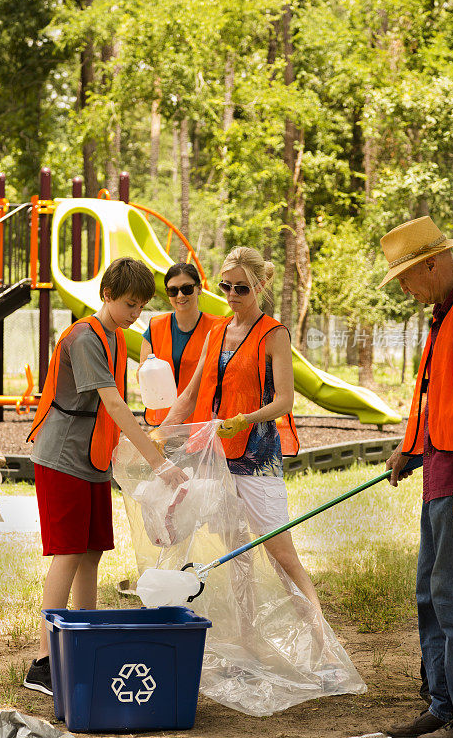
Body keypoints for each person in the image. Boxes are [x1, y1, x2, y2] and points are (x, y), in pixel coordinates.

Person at [23, 257, 187, 696]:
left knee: (93, 550)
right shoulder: (85, 337)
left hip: (93, 460)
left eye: (141, 307)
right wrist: (158, 462)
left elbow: (118, 412)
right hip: (62, 458)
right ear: (107, 296)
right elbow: (115, 406)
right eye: (129, 304)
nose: (136, 314)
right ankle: (43, 662)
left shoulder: (116, 338)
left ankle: (81, 638)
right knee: (68, 552)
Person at [161, 246, 323, 613]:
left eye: (242, 288)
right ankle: (249, 642)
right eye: (226, 287)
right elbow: (189, 394)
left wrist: (245, 419)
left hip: (257, 459)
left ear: (261, 285)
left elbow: (285, 401)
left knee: (281, 553)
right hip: (216, 459)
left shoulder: (273, 334)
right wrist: (158, 433)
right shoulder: (216, 331)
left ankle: (320, 641)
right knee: (237, 554)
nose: (232, 295)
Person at [379, 217, 453, 738]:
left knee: (451, 592)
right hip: (437, 468)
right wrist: (409, 449)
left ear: (431, 263)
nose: (406, 291)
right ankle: (442, 697)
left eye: (407, 278)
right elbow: (437, 393)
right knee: (429, 592)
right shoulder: (442, 311)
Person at [139, 262, 219, 426]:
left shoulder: (218, 328)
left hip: (202, 422)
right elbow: (142, 373)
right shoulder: (155, 327)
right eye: (173, 290)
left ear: (199, 288)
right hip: (164, 422)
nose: (180, 295)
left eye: (187, 288)